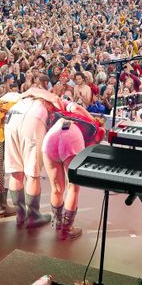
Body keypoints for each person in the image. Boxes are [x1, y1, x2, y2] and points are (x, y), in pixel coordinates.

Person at [42, 102, 103, 240]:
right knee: (73, 187)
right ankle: (67, 229)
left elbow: (74, 106)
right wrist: (93, 119)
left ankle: (57, 223)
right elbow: (91, 147)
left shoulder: (65, 109)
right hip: (71, 137)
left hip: (51, 137)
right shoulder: (95, 126)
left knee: (56, 188)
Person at [4, 84, 63, 228]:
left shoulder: (24, 96)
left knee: (16, 170)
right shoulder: (46, 97)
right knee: (32, 172)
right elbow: (58, 103)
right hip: (32, 120)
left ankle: (20, 215)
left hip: (12, 118)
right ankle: (33, 217)